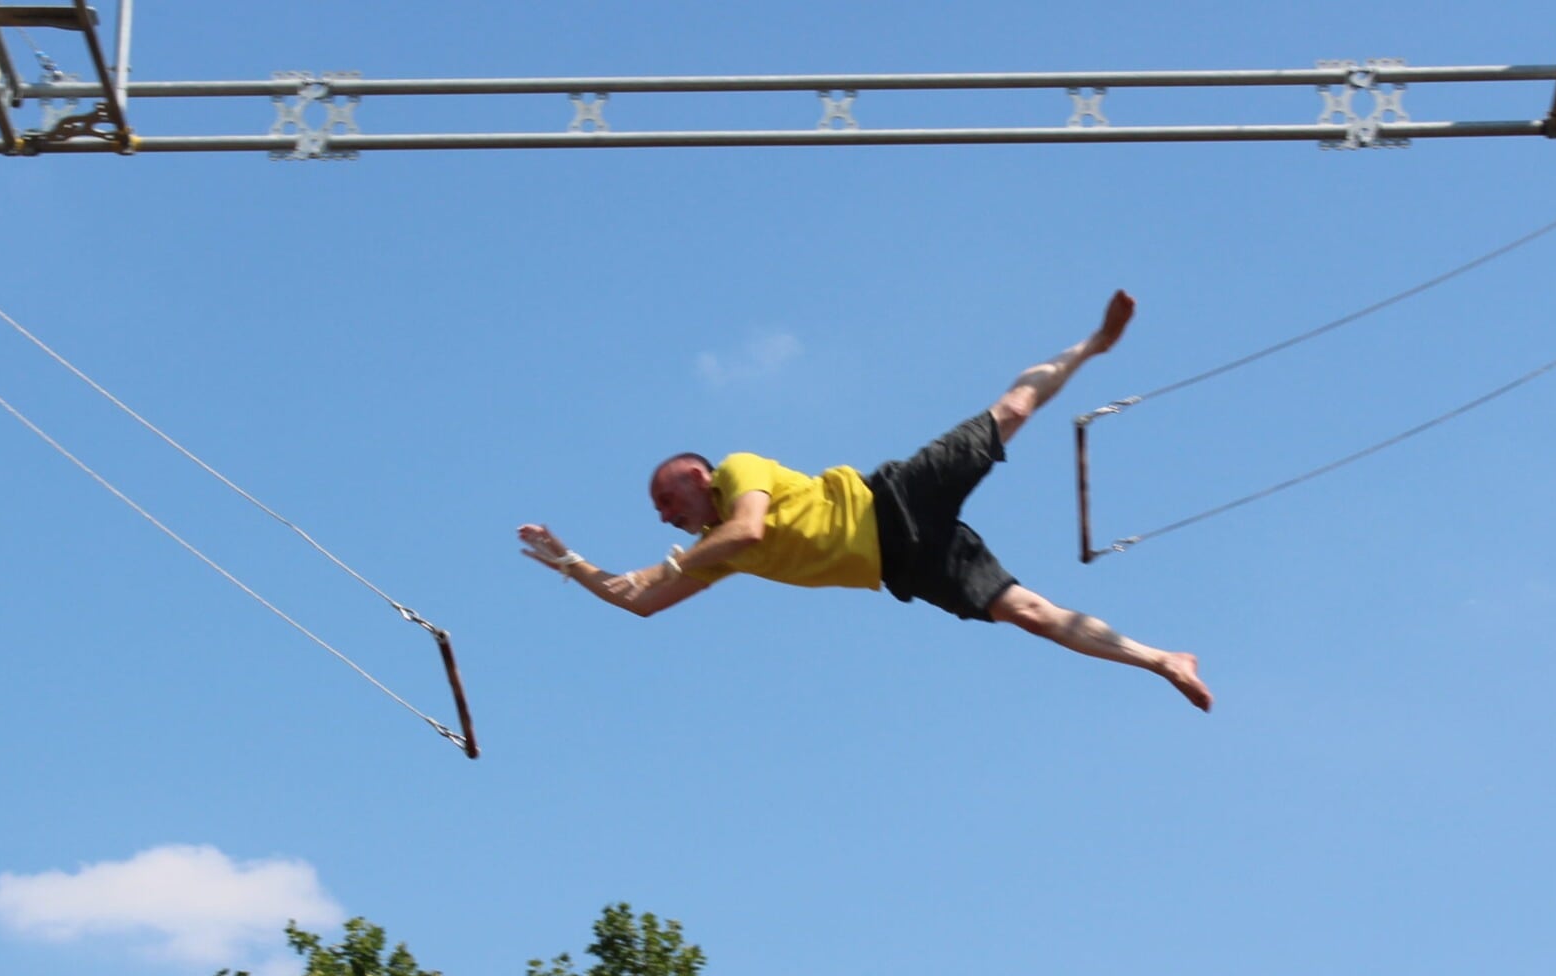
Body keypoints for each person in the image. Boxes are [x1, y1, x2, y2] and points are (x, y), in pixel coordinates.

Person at [518, 290, 1211, 712]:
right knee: (1030, 613)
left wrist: (666, 564)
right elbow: (638, 603)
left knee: (1014, 407)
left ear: (696, 478)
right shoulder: (710, 552)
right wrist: (571, 562)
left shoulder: (738, 472)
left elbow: (749, 531)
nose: (663, 517)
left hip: (895, 501)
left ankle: (1094, 343)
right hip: (905, 565)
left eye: (665, 501)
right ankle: (1163, 659)